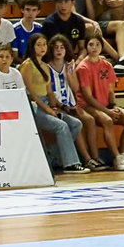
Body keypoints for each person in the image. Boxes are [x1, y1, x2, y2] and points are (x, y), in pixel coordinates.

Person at [18, 35, 90, 174]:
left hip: (46, 103)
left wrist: (63, 107)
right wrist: (47, 109)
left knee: (76, 124)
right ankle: (70, 164)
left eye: (44, 44)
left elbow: (50, 93)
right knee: (61, 126)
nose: (42, 47)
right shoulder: (27, 65)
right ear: (32, 47)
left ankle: (52, 156)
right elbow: (31, 92)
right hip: (32, 106)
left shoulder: (45, 65)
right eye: (39, 45)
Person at [75, 34, 124, 171]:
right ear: (86, 46)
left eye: (97, 45)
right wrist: (107, 111)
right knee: (107, 120)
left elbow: (110, 91)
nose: (94, 48)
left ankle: (122, 154)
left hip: (105, 105)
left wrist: (113, 106)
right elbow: (88, 97)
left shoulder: (107, 65)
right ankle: (116, 157)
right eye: (91, 44)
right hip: (88, 105)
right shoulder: (83, 67)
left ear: (102, 47)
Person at [45, 34, 105, 171]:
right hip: (57, 105)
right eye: (56, 48)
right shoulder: (46, 67)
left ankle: (95, 157)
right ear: (51, 50)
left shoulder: (69, 66)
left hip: (71, 104)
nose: (59, 50)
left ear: (67, 49)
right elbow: (48, 93)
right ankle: (86, 159)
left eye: (62, 47)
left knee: (89, 120)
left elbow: (76, 88)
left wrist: (69, 73)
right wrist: (64, 108)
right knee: (75, 122)